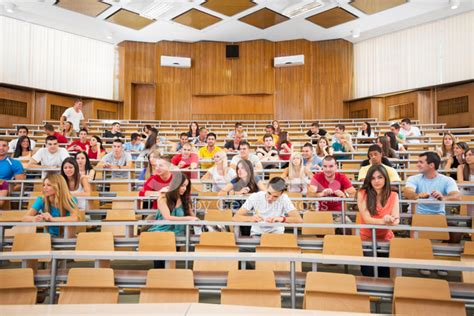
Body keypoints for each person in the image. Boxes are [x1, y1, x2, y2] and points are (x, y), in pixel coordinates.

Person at [357, 164, 399, 277]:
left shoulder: (394, 195)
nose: (376, 181)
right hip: (366, 239)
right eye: (373, 178)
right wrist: (385, 221)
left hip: (386, 239)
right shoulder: (362, 193)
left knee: (384, 273)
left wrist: (391, 220)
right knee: (368, 272)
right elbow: (367, 219)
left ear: (385, 178)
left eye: (380, 177)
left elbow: (396, 219)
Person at [232, 177, 303, 236]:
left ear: (281, 194)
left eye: (275, 196)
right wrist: (251, 218)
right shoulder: (255, 196)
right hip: (257, 234)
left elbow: (299, 220)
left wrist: (281, 219)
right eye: (269, 193)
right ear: (266, 187)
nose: (270, 198)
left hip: (276, 234)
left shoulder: (284, 198)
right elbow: (235, 218)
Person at [0, 139, 25, 205]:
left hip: (3, 189)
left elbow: (20, 184)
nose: (1, 148)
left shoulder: (15, 163)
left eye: (4, 145)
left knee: (3, 184)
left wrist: (7, 190)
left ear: (8, 148)